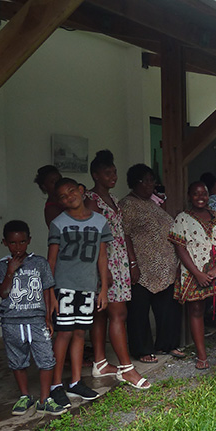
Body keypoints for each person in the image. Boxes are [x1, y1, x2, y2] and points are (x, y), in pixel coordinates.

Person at [85, 150, 150, 390]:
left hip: (118, 259)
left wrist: (131, 261)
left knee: (102, 313)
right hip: (105, 262)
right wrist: (103, 270)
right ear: (95, 175)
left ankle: (100, 362)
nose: (112, 176)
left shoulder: (112, 198)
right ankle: (125, 368)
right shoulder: (91, 200)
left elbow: (121, 233)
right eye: (107, 173)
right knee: (118, 314)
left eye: (114, 172)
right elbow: (92, 237)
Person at [47, 178, 111, 408]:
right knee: (63, 334)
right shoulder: (58, 223)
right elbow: (51, 261)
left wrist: (102, 289)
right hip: (63, 287)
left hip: (87, 287)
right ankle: (56, 385)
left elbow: (102, 257)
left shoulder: (100, 222)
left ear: (82, 191)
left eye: (71, 191)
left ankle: (75, 382)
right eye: (62, 196)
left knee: (79, 334)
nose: (68, 197)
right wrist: (50, 293)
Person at [0, 220, 65, 416]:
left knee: (46, 358)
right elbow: (3, 293)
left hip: (36, 320)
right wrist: (10, 271)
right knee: (17, 359)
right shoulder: (2, 266)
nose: (18, 247)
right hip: (12, 322)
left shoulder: (39, 263)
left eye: (22, 242)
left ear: (29, 240)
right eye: (13, 243)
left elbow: (47, 291)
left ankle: (44, 399)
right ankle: (25, 396)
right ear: (5, 243)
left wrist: (48, 319)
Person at [119, 164, 186, 361]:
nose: (150, 184)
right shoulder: (127, 205)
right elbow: (125, 235)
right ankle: (142, 350)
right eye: (145, 181)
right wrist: (132, 264)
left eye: (152, 180)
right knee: (138, 312)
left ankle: (167, 345)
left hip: (165, 267)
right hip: (143, 267)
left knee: (168, 309)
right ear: (135, 182)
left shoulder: (153, 203)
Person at [169, 181, 216, 369]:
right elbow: (180, 248)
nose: (200, 197)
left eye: (203, 193)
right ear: (189, 196)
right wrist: (197, 274)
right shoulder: (182, 218)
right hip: (193, 271)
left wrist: (215, 270)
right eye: (196, 194)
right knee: (196, 310)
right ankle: (202, 356)